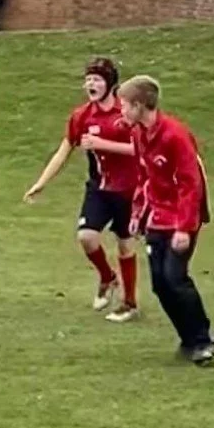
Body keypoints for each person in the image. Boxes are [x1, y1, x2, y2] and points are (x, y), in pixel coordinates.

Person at [23, 58, 141, 322]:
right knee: (87, 237)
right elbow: (64, 151)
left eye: (97, 79)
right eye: (88, 79)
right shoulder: (82, 116)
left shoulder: (127, 113)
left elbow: (140, 149)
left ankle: (129, 303)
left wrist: (102, 143)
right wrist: (41, 183)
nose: (91, 84)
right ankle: (107, 277)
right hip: (99, 188)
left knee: (125, 244)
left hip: (129, 190)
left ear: (110, 84)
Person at [118, 76, 214, 365]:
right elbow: (144, 177)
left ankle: (201, 340)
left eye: (124, 105)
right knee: (160, 284)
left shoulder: (175, 135)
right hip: (156, 218)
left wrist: (185, 227)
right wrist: (137, 213)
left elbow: (191, 184)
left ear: (139, 105)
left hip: (181, 218)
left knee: (176, 277)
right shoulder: (138, 134)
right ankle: (187, 338)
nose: (121, 111)